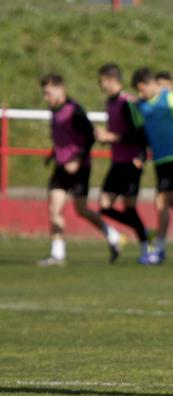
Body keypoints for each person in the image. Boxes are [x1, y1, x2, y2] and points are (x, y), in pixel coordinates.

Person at [38, 73, 123, 266]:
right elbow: (63, 139)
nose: (46, 98)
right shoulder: (54, 112)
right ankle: (57, 253)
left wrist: (77, 160)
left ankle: (112, 235)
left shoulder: (74, 111)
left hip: (79, 168)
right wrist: (52, 154)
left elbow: (89, 138)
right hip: (61, 168)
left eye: (48, 93)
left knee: (82, 210)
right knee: (54, 208)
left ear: (60, 90)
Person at [132, 67, 173, 264]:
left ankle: (160, 248)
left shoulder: (170, 99)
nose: (141, 94)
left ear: (152, 84)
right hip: (160, 160)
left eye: (142, 89)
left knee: (162, 201)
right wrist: (141, 153)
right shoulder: (141, 106)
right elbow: (142, 132)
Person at [95, 63, 151, 262]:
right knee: (104, 205)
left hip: (131, 161)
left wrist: (141, 156)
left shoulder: (128, 103)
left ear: (111, 79)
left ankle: (146, 244)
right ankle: (142, 232)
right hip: (117, 161)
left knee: (129, 207)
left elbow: (138, 133)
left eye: (102, 81)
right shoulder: (109, 103)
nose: (101, 85)